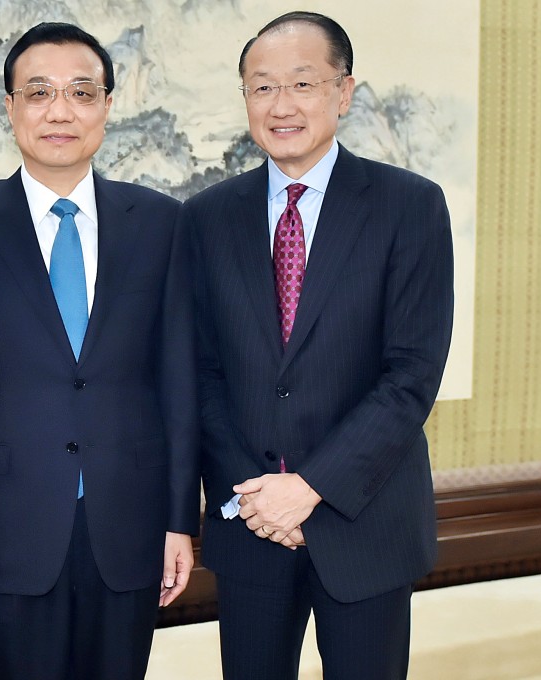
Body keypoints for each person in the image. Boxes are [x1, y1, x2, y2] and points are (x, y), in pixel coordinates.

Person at [0, 22, 199, 680]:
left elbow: (178, 382)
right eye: (38, 92)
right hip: (3, 530)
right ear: (10, 107)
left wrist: (180, 520)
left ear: (106, 105)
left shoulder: (160, 223)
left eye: (80, 91)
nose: (60, 111)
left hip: (128, 525)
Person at [182, 11, 454, 680]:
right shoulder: (206, 217)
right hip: (250, 526)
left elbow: (411, 375)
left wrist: (309, 489)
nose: (282, 105)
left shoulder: (410, 206)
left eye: (302, 83)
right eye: (262, 87)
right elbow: (200, 372)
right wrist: (259, 496)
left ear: (344, 92)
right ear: (245, 97)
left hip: (366, 522)